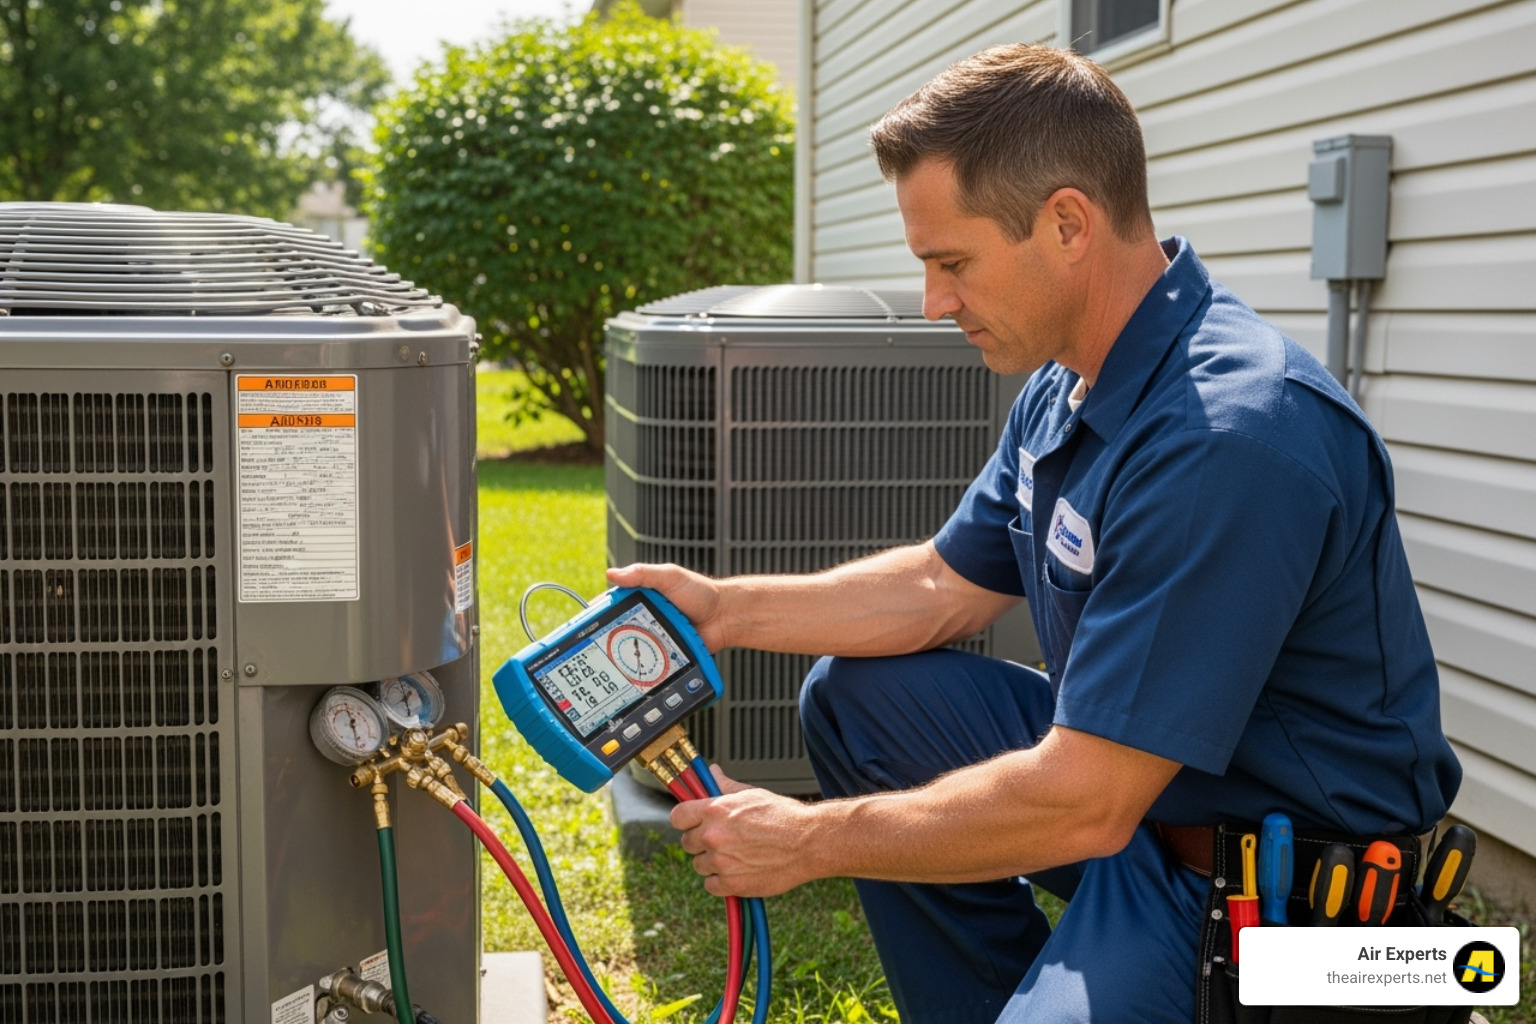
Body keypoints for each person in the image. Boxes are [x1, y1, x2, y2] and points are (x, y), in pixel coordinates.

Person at [607, 43, 1461, 1024]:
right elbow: (940, 586)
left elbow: (1084, 800)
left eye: (952, 262)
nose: (934, 302)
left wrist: (810, 841)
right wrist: (723, 607)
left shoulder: (1231, 438)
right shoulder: (1071, 382)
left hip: (1303, 913)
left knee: (1075, 813)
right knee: (860, 696)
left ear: (1066, 224)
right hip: (1147, 819)